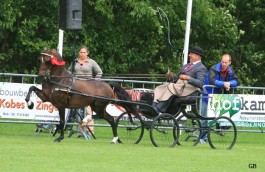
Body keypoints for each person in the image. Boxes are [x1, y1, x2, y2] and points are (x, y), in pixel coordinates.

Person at [152, 46, 207, 113]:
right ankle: (153, 107)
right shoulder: (186, 66)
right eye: (190, 53)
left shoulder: (201, 68)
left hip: (190, 90)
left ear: (198, 56)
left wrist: (188, 78)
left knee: (170, 86)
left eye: (191, 54)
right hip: (180, 87)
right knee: (160, 87)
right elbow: (177, 78)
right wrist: (172, 76)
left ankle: (158, 109)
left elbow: (200, 83)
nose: (189, 55)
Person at [200, 53, 239, 143]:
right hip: (207, 95)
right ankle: (202, 138)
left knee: (218, 116)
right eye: (222, 62)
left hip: (218, 97)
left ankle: (218, 129)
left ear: (230, 62)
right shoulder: (213, 68)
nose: (224, 64)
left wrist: (229, 83)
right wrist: (224, 84)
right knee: (204, 117)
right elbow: (212, 80)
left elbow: (237, 81)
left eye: (225, 62)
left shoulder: (230, 70)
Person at [68, 45, 103, 137]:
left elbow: (99, 72)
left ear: (87, 53)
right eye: (81, 52)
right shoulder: (74, 62)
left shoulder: (91, 62)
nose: (82, 54)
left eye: (84, 52)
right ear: (79, 53)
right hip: (76, 88)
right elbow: (68, 72)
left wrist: (95, 82)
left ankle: (90, 131)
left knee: (88, 109)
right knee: (77, 108)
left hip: (88, 88)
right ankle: (80, 131)